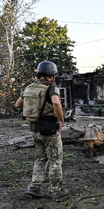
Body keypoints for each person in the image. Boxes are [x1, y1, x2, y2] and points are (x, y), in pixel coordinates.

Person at [15, 61, 66, 198]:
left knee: (40, 159)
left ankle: (34, 187)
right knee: (55, 160)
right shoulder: (51, 88)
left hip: (34, 130)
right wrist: (61, 119)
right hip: (49, 129)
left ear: (38, 74)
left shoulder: (28, 87)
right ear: (52, 75)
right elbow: (56, 102)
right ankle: (55, 191)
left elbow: (18, 104)